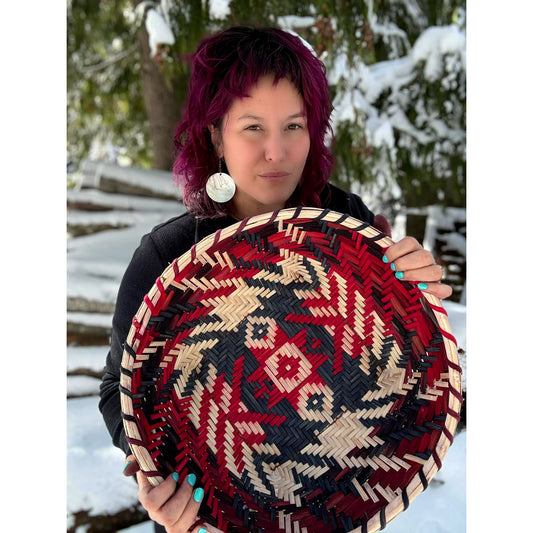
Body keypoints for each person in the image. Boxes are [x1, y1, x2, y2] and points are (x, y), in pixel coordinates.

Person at [99, 25, 452, 533]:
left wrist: (416, 289)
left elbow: (403, 354)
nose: (276, 151)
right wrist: (153, 463)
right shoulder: (169, 255)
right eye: (252, 128)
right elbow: (117, 389)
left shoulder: (346, 222)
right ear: (215, 135)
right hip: (209, 517)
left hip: (333, 507)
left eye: (293, 126)